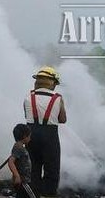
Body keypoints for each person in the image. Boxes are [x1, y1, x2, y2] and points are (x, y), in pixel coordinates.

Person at [24, 66, 67, 196]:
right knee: (51, 169)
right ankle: (48, 194)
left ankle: (33, 194)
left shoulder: (28, 97)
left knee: (34, 168)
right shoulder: (58, 98)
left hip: (31, 135)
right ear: (52, 82)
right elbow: (63, 119)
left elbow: (27, 116)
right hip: (50, 136)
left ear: (37, 81)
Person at [8, 124, 38, 198]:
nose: (30, 138)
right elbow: (10, 162)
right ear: (24, 136)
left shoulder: (19, 147)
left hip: (23, 181)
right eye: (29, 136)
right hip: (24, 182)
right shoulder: (18, 147)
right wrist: (17, 176)